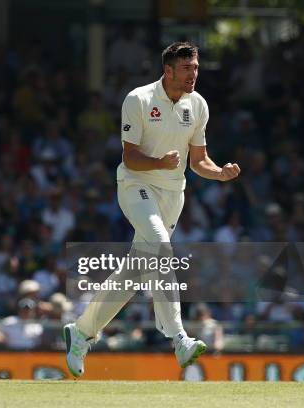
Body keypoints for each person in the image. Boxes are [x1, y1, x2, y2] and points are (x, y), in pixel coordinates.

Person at [64, 42, 240, 377]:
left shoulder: (198, 105)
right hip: (136, 185)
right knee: (161, 247)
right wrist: (159, 162)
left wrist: (220, 173)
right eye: (187, 69)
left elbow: (199, 160)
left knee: (133, 274)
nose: (193, 75)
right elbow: (129, 156)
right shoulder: (139, 99)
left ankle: (81, 331)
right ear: (169, 70)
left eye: (196, 68)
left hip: (173, 195)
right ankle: (179, 337)